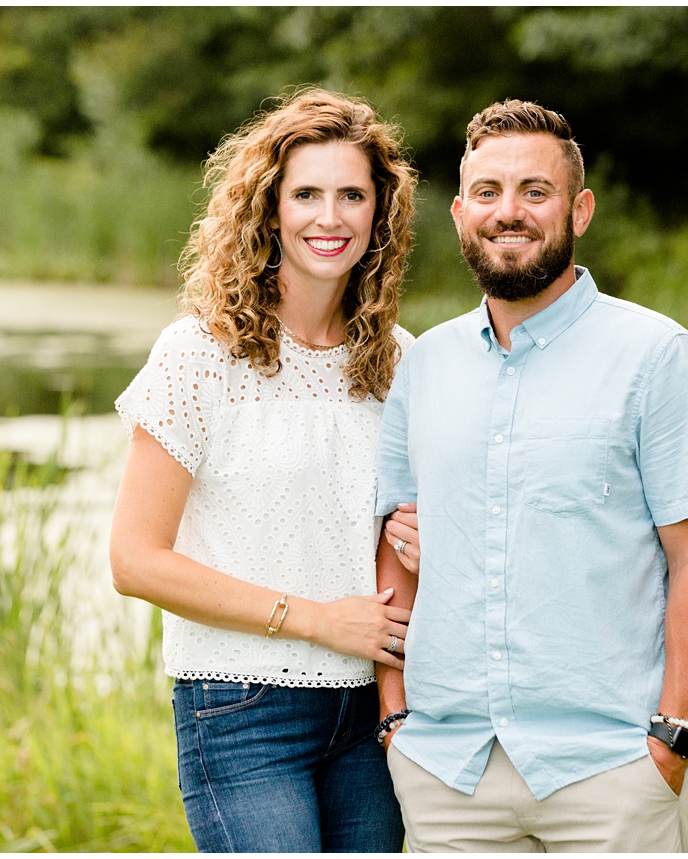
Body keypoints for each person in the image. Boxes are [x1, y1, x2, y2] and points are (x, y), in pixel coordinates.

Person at [372, 100, 688, 852]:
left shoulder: (657, 357)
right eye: (488, 193)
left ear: (579, 210)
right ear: (459, 212)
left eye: (534, 192)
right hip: (447, 775)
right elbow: (397, 542)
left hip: (609, 774)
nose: (509, 212)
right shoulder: (424, 365)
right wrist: (394, 716)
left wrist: (672, 738)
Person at [107, 88, 417, 851]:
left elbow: (397, 532)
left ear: (380, 214)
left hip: (370, 713)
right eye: (306, 193)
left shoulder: (399, 360)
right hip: (241, 708)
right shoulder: (198, 355)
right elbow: (134, 560)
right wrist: (317, 618)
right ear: (269, 207)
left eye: (352, 195)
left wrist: (424, 534)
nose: (330, 217)